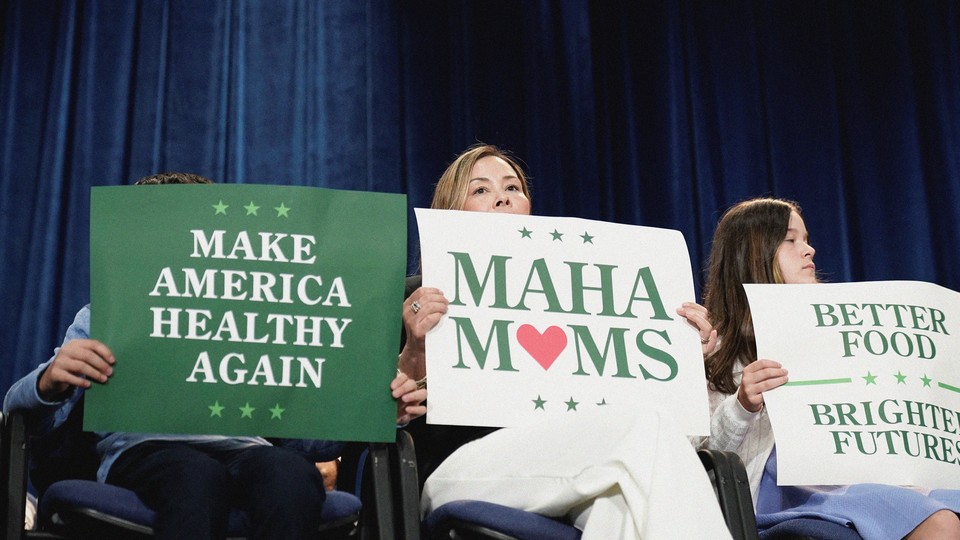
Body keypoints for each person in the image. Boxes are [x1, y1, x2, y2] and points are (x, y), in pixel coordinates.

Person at [3, 172, 426, 540]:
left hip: (248, 449)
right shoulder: (109, 313)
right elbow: (20, 413)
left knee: (293, 475)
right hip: (147, 453)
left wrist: (377, 410)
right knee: (194, 477)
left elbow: (312, 440)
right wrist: (48, 381)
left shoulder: (256, 321)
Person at [399, 144, 731, 539]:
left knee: (622, 505)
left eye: (513, 187)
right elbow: (380, 420)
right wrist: (415, 351)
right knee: (646, 429)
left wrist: (684, 358)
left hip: (575, 464)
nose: (503, 196)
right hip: (458, 470)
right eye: (481, 190)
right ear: (450, 211)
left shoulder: (580, 292)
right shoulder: (417, 299)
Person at [700, 197, 960, 539]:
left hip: (856, 485)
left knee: (944, 503)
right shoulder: (714, 349)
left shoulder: (845, 337)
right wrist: (742, 405)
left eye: (806, 239)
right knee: (937, 520)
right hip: (783, 498)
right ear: (753, 252)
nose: (809, 250)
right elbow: (698, 457)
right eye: (791, 240)